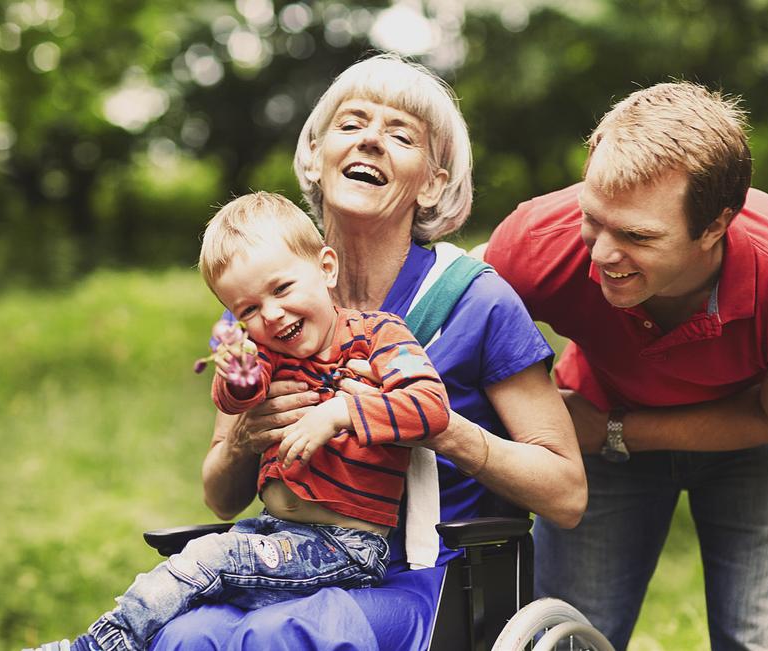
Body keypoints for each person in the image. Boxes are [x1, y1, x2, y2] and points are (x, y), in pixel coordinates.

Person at [147, 54, 588, 650]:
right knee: (188, 635)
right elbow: (221, 499)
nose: (372, 141)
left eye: (401, 134)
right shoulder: (260, 307)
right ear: (314, 156)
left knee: (284, 635)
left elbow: (566, 493)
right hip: (283, 561)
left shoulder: (475, 302)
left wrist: (437, 427)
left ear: (433, 182)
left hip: (428, 578)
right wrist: (245, 439)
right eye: (351, 124)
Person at [483, 81, 768, 650]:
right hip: (598, 416)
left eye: (636, 236)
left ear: (715, 227)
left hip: (755, 435)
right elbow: (459, 341)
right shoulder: (532, 246)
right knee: (568, 634)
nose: (600, 254)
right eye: (593, 219)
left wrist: (616, 431)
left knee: (766, 639)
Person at [26, 192, 456, 651]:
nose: (271, 314)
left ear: (326, 268)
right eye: (248, 309)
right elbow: (239, 398)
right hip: (272, 534)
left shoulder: (378, 334)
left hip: (347, 546)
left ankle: (96, 647)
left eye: (282, 289)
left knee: (206, 560)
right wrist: (238, 373)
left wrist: (339, 412)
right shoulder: (270, 352)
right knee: (188, 599)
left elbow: (430, 405)